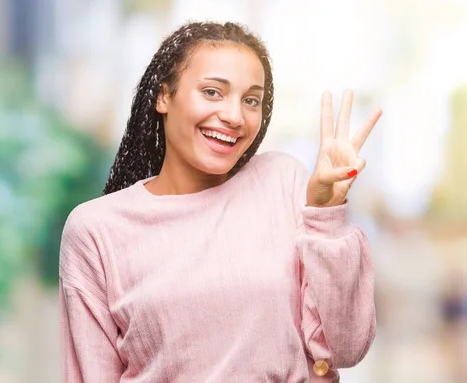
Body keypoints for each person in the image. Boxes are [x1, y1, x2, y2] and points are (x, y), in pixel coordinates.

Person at [59, 21, 382, 382]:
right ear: (163, 96)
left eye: (251, 100)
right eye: (213, 92)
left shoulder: (283, 181)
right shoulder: (96, 230)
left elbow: (346, 348)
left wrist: (326, 215)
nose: (234, 116)